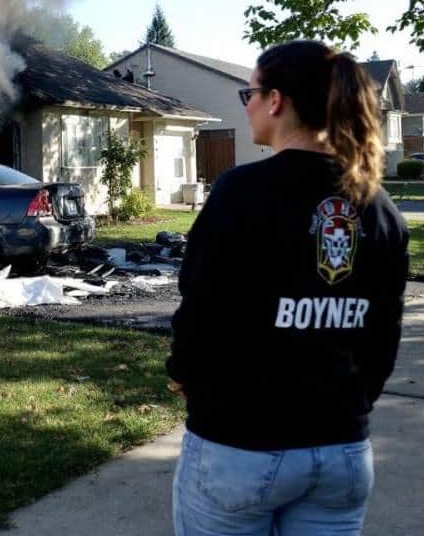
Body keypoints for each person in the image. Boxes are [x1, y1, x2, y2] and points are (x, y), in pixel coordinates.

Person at [166, 40, 409, 535]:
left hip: (239, 444)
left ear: (275, 100)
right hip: (342, 450)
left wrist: (185, 377)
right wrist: (353, 406)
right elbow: (383, 336)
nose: (247, 106)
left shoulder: (240, 192)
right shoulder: (379, 207)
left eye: (249, 95)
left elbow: (200, 309)